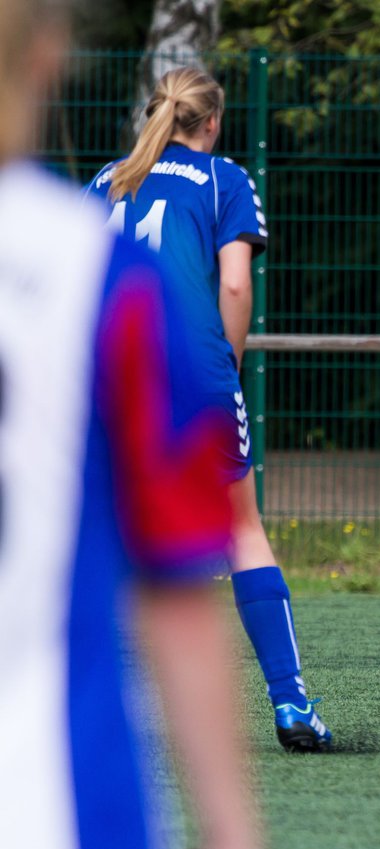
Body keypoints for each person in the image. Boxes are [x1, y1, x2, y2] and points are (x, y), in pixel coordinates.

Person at [0, 1, 261, 849]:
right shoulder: (98, 270)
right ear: (50, 57)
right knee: (245, 534)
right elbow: (177, 586)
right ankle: (294, 696)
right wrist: (230, 828)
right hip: (55, 793)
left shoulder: (104, 208)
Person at [85, 67, 331, 749]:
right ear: (213, 121)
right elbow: (233, 284)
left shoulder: (105, 180)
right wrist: (221, 360)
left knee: (108, 534)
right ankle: (290, 706)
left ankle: (102, 709)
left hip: (107, 372)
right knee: (241, 528)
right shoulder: (224, 178)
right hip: (193, 371)